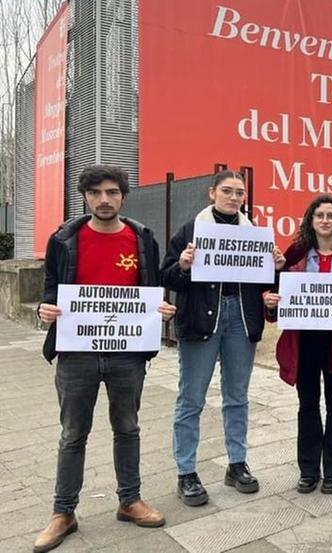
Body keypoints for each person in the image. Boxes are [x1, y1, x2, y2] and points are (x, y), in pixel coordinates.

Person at [34, 165, 176, 553]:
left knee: (127, 428)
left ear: (123, 196)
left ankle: (129, 501)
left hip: (127, 354)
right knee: (72, 434)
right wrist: (45, 310)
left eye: (112, 192)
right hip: (76, 354)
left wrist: (160, 311)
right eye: (95, 193)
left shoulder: (142, 239)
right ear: (84, 196)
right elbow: (50, 290)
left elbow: (150, 289)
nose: (104, 200)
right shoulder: (63, 239)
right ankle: (63, 512)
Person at [161, 170, 285, 506]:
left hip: (241, 320)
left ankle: (236, 464)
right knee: (191, 398)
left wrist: (277, 266)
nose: (234, 197)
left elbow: (266, 283)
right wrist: (184, 264)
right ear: (212, 193)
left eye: (239, 193)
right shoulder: (191, 230)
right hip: (202, 320)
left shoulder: (257, 234)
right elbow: (167, 275)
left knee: (237, 397)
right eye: (227, 191)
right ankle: (186, 472)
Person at [262, 195, 332, 495]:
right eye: (320, 215)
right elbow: (275, 296)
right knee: (307, 406)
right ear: (310, 220)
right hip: (305, 341)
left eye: (331, 215)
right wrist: (271, 304)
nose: (325, 220)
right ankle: (309, 471)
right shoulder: (295, 255)